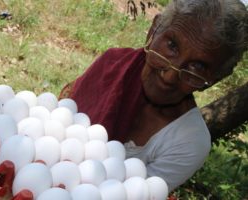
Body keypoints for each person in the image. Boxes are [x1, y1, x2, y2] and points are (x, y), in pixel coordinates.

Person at [60, 0, 248, 192]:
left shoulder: (188, 142)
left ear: (216, 78)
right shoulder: (112, 64)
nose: (169, 76)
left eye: (198, 66)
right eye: (172, 46)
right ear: (153, 30)